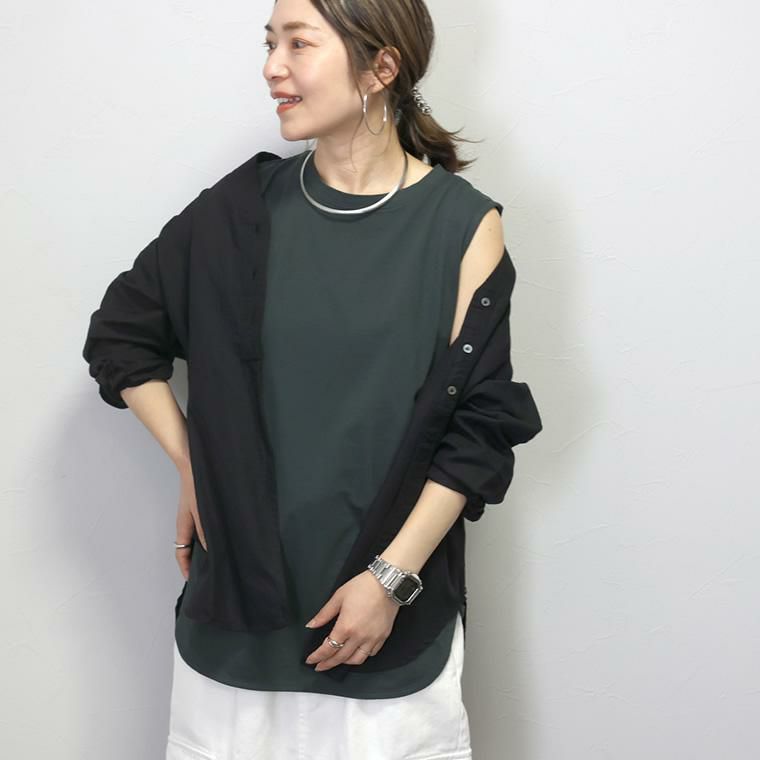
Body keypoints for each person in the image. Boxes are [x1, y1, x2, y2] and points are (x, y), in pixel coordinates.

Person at [82, 1, 543, 758]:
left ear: (381, 66)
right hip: (237, 626)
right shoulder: (236, 213)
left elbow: (481, 431)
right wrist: (196, 462)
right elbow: (122, 336)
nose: (272, 67)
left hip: (387, 635)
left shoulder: (462, 226)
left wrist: (390, 580)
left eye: (299, 44)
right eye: (270, 44)